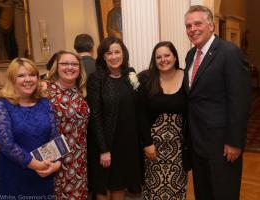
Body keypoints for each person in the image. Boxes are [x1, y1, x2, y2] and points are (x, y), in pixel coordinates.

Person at [184, 5, 251, 200]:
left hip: (222, 145)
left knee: (223, 194)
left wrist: (234, 141)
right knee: (203, 194)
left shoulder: (229, 52)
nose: (192, 29)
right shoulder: (191, 56)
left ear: (211, 25)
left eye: (197, 23)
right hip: (197, 144)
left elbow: (239, 100)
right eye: (188, 25)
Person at [0, 58, 61, 199]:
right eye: (21, 75)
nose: (28, 79)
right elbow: (6, 145)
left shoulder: (45, 104)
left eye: (32, 75)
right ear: (12, 79)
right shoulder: (0, 106)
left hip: (44, 176)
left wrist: (56, 164)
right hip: (15, 178)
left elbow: (54, 136)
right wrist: (37, 165)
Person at [87, 36, 142, 200]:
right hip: (106, 143)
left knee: (119, 186)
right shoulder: (97, 79)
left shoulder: (130, 75)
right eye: (108, 53)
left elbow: (139, 103)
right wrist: (104, 150)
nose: (113, 56)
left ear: (123, 54)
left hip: (126, 144)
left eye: (117, 52)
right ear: (103, 56)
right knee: (103, 189)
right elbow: (95, 116)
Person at [138, 41, 188, 199]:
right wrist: (147, 143)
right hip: (153, 148)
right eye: (158, 57)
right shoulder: (146, 79)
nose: (163, 59)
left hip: (179, 147)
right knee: (154, 190)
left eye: (167, 55)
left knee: (177, 188)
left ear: (174, 56)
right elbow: (141, 114)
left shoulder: (187, 77)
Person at [41, 50, 89, 199]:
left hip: (79, 157)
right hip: (54, 157)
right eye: (65, 63)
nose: (70, 67)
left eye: (74, 64)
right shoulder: (45, 89)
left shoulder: (81, 90)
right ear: (57, 66)